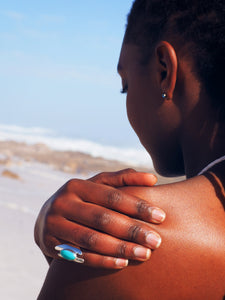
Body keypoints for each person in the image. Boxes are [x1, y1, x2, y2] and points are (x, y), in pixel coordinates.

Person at [35, 0, 225, 299]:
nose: (127, 97)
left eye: (125, 85)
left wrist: (64, 253)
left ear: (164, 71)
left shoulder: (127, 241)